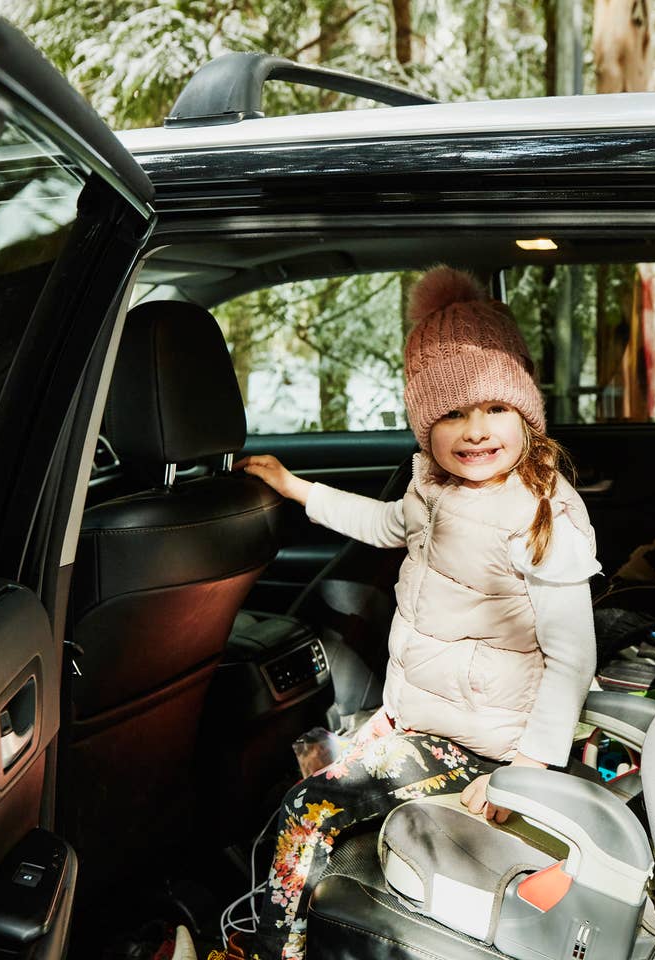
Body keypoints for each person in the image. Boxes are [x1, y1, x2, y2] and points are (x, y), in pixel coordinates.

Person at [223, 266, 599, 960]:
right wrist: (294, 487)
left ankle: (274, 951)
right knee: (308, 766)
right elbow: (382, 523)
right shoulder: (430, 485)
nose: (475, 431)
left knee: (306, 810)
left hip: (485, 747)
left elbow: (574, 656)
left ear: (526, 412)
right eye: (451, 414)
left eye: (493, 409)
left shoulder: (541, 515)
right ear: (426, 427)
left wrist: (524, 769)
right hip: (423, 717)